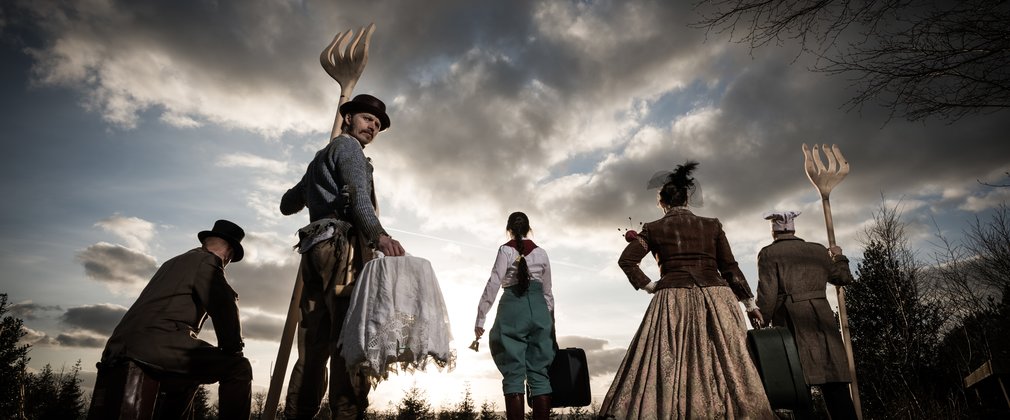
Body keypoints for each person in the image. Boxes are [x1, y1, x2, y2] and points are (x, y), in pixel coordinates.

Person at [599, 162, 775, 419]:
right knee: (731, 360)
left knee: (670, 359)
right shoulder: (712, 225)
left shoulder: (654, 228)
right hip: (717, 296)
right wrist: (750, 305)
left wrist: (650, 286)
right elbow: (730, 267)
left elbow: (627, 261)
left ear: (662, 203)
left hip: (672, 298)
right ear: (688, 199)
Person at [279, 93, 406, 419]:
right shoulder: (349, 149)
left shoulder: (323, 156)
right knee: (350, 338)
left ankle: (299, 413)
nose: (373, 127)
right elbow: (359, 199)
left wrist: (314, 182)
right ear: (347, 118)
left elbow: (287, 203)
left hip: (314, 251)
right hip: (341, 249)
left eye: (378, 125)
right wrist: (379, 236)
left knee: (314, 344)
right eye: (368, 119)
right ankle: (347, 412)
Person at [98, 219, 251, 419]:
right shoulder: (208, 261)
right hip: (157, 342)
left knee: (188, 378)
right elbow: (223, 304)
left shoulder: (173, 262)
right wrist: (233, 348)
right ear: (228, 253)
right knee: (238, 368)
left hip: (119, 345)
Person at [756, 211, 858, 420]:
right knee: (835, 385)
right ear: (793, 229)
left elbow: (767, 295)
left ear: (773, 231)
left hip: (791, 323)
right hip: (823, 320)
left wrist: (761, 321)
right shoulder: (818, 250)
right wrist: (838, 256)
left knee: (798, 387)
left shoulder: (768, 254)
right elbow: (843, 277)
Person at [474, 211, 555, 420]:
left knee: (513, 373)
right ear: (529, 229)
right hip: (539, 310)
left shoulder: (505, 251)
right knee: (539, 374)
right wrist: (549, 323)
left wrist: (480, 318)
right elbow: (548, 292)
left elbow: (493, 283)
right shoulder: (542, 253)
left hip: (512, 307)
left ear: (508, 229)